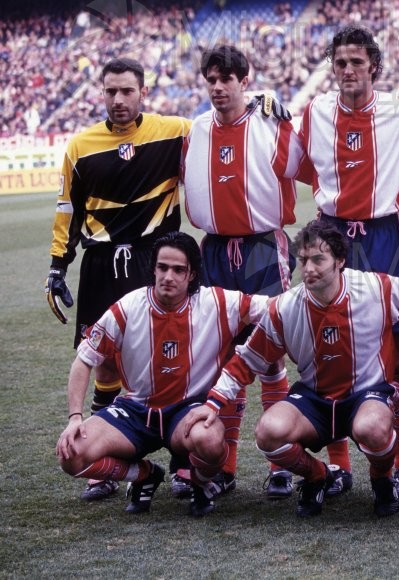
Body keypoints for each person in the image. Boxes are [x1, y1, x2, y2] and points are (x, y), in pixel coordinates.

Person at [190, 220, 399, 519]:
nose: (309, 268)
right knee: (267, 433)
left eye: (319, 259)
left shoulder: (375, 288)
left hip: (367, 395)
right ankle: (318, 476)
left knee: (373, 429)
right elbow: (246, 361)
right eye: (303, 260)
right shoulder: (286, 307)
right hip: (314, 399)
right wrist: (213, 403)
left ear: (340, 261)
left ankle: (382, 479)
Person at [46, 57, 191, 501]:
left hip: (156, 257)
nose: (119, 99)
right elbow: (67, 210)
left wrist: (261, 101)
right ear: (101, 93)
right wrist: (57, 265)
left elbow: (224, 122)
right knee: (104, 356)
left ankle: (185, 460)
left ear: (143, 91)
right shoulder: (80, 145)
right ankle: (104, 463)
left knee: (174, 348)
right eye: (111, 91)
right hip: (102, 261)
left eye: (127, 91)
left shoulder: (175, 130)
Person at [55, 232, 269, 517]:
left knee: (211, 442)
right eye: (162, 267)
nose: (169, 276)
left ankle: (198, 482)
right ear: (153, 269)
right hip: (135, 412)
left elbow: (276, 309)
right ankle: (144, 474)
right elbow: (83, 360)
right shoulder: (128, 308)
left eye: (179, 270)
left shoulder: (218, 302)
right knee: (71, 455)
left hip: (187, 411)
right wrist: (75, 418)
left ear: (192, 274)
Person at [297, 26, 399, 498]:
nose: (348, 70)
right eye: (340, 62)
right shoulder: (315, 112)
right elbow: (300, 167)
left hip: (384, 235)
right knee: (330, 349)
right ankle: (338, 465)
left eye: (356, 61)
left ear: (373, 64)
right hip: (331, 234)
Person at [182, 44, 301, 499]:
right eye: (211, 79)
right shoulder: (195, 130)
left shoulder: (268, 121)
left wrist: (281, 114)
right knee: (222, 358)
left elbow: (301, 160)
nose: (217, 87)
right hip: (213, 251)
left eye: (226, 79)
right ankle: (224, 464)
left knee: (269, 354)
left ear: (244, 81)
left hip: (260, 248)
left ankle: (280, 463)